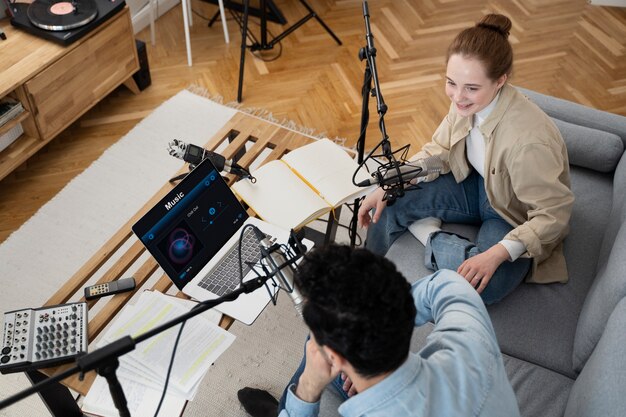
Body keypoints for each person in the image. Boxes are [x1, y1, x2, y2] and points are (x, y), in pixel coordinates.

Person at [358, 14, 574, 304]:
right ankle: (362, 277)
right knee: (387, 204)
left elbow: (554, 215)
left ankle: (428, 235)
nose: (458, 97)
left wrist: (495, 254)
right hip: (474, 185)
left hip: (512, 214)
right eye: (451, 83)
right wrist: (395, 179)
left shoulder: (529, 142)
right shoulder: (464, 104)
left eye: (471, 88)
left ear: (501, 81)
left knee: (489, 283)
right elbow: (440, 150)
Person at [238, 244, 520, 417]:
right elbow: (447, 284)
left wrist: (310, 385)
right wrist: (384, 313)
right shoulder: (470, 342)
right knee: (322, 335)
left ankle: (288, 407)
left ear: (335, 360)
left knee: (314, 342)